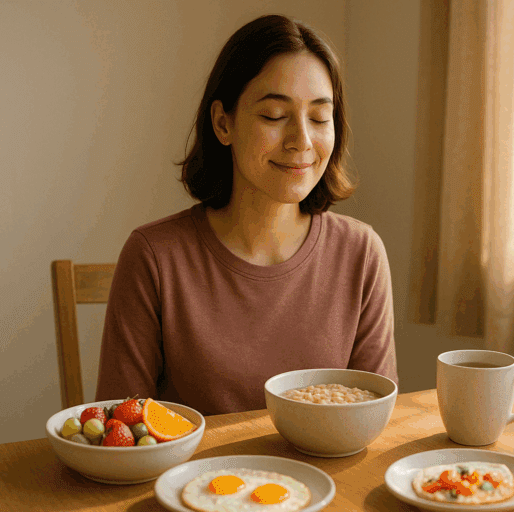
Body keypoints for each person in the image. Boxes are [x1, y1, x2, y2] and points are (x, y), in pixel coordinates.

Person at [95, 14, 398, 415]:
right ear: (223, 123)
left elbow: (375, 422)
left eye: (319, 118)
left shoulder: (362, 254)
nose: (301, 141)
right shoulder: (153, 256)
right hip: (194, 479)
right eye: (274, 116)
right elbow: (120, 430)